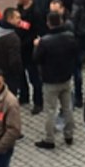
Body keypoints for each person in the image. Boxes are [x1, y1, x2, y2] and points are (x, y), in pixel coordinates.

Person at [33, 11, 78, 150]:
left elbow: (36, 59)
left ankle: (49, 139)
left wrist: (36, 46)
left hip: (50, 80)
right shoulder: (70, 36)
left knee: (50, 110)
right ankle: (69, 135)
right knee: (68, 108)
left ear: (48, 23)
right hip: (66, 77)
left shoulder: (45, 41)